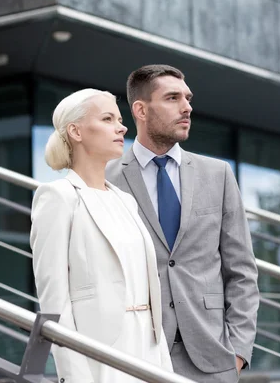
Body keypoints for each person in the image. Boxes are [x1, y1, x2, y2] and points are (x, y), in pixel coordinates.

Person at [106, 65, 259, 382]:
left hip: (212, 356)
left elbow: (242, 269)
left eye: (187, 98)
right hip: (134, 354)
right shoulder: (106, 178)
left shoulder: (217, 174)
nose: (187, 107)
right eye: (172, 98)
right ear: (141, 110)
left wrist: (239, 350)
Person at [30, 88, 172, 382]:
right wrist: (75, 375)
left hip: (150, 347)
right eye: (108, 118)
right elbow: (54, 302)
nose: (122, 127)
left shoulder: (125, 200)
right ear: (76, 131)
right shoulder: (57, 197)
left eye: (120, 119)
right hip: (100, 354)